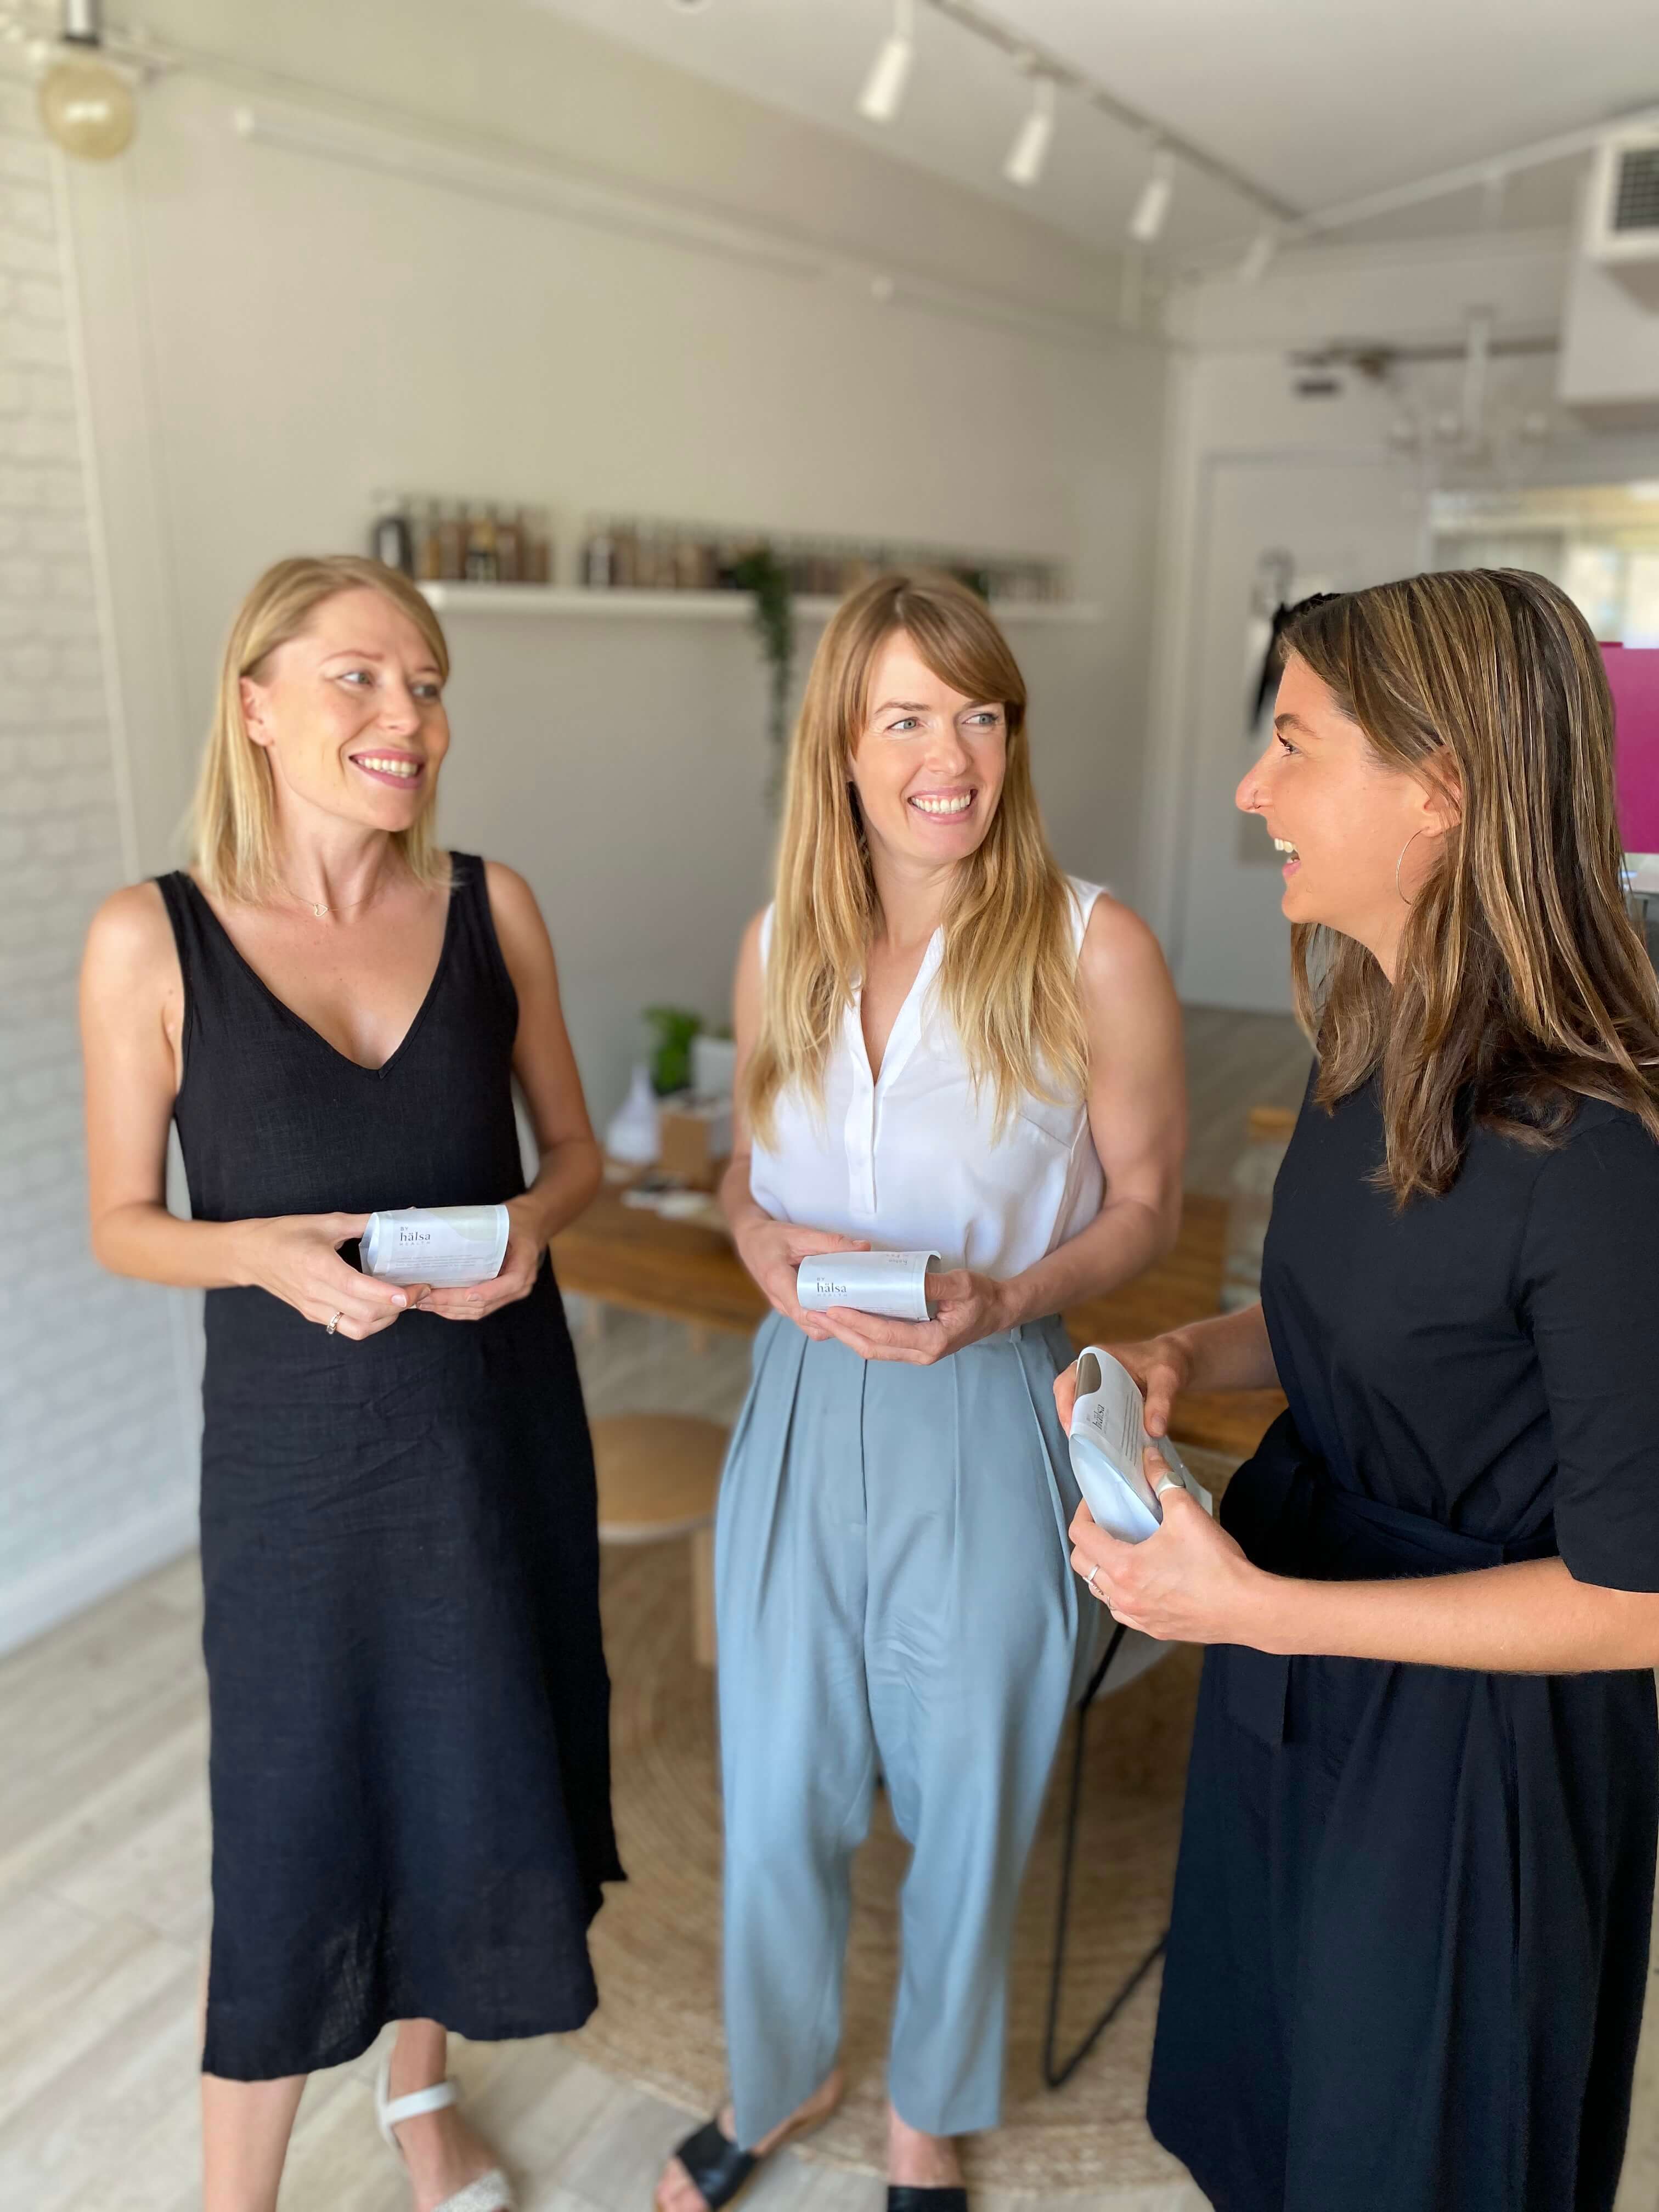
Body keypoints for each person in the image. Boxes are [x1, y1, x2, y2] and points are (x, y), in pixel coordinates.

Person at [1061, 569, 1659, 2212]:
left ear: (1442, 794)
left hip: (1478, 1758)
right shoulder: (1370, 1039)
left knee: (1419, 2148)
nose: (1254, 790)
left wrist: (1259, 1612)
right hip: (1306, 1660)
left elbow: (1639, 1599)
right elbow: (1392, 1312)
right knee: (1286, 2098)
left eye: (1296, 744)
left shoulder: (1599, 1159)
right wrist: (1199, 1354)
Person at [79, 556, 622, 2212]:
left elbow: (582, 1153)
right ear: (255, 706)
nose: (409, 720)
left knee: (472, 1767)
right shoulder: (148, 939)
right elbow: (121, 1224)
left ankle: (419, 2101)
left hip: (492, 1432)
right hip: (296, 1465)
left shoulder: (491, 907)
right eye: (361, 681)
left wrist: (533, 1223)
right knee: (294, 1816)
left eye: (429, 686)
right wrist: (259, 1254)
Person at [656, 572, 1185, 2212]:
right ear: (847, 744)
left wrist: (1015, 1296)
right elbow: (748, 1174)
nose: (950, 752)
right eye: (907, 717)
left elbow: (1149, 1200)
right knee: (778, 1785)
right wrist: (753, 1241)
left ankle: (926, 2113)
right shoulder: (775, 948)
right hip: (801, 1405)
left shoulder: (1095, 944)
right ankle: (782, 2069)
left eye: (980, 712)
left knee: (972, 1794)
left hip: (983, 1405)